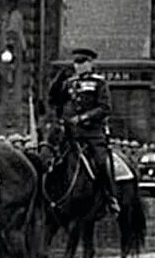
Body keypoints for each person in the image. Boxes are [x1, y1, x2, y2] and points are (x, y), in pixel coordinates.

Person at [49, 47, 121, 215]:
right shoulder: (70, 83)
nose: (79, 66)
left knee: (101, 163)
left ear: (91, 63)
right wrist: (58, 80)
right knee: (52, 160)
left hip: (93, 134)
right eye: (76, 62)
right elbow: (54, 100)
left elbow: (104, 108)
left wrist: (83, 118)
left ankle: (110, 197)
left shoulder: (99, 83)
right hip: (71, 135)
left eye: (82, 62)